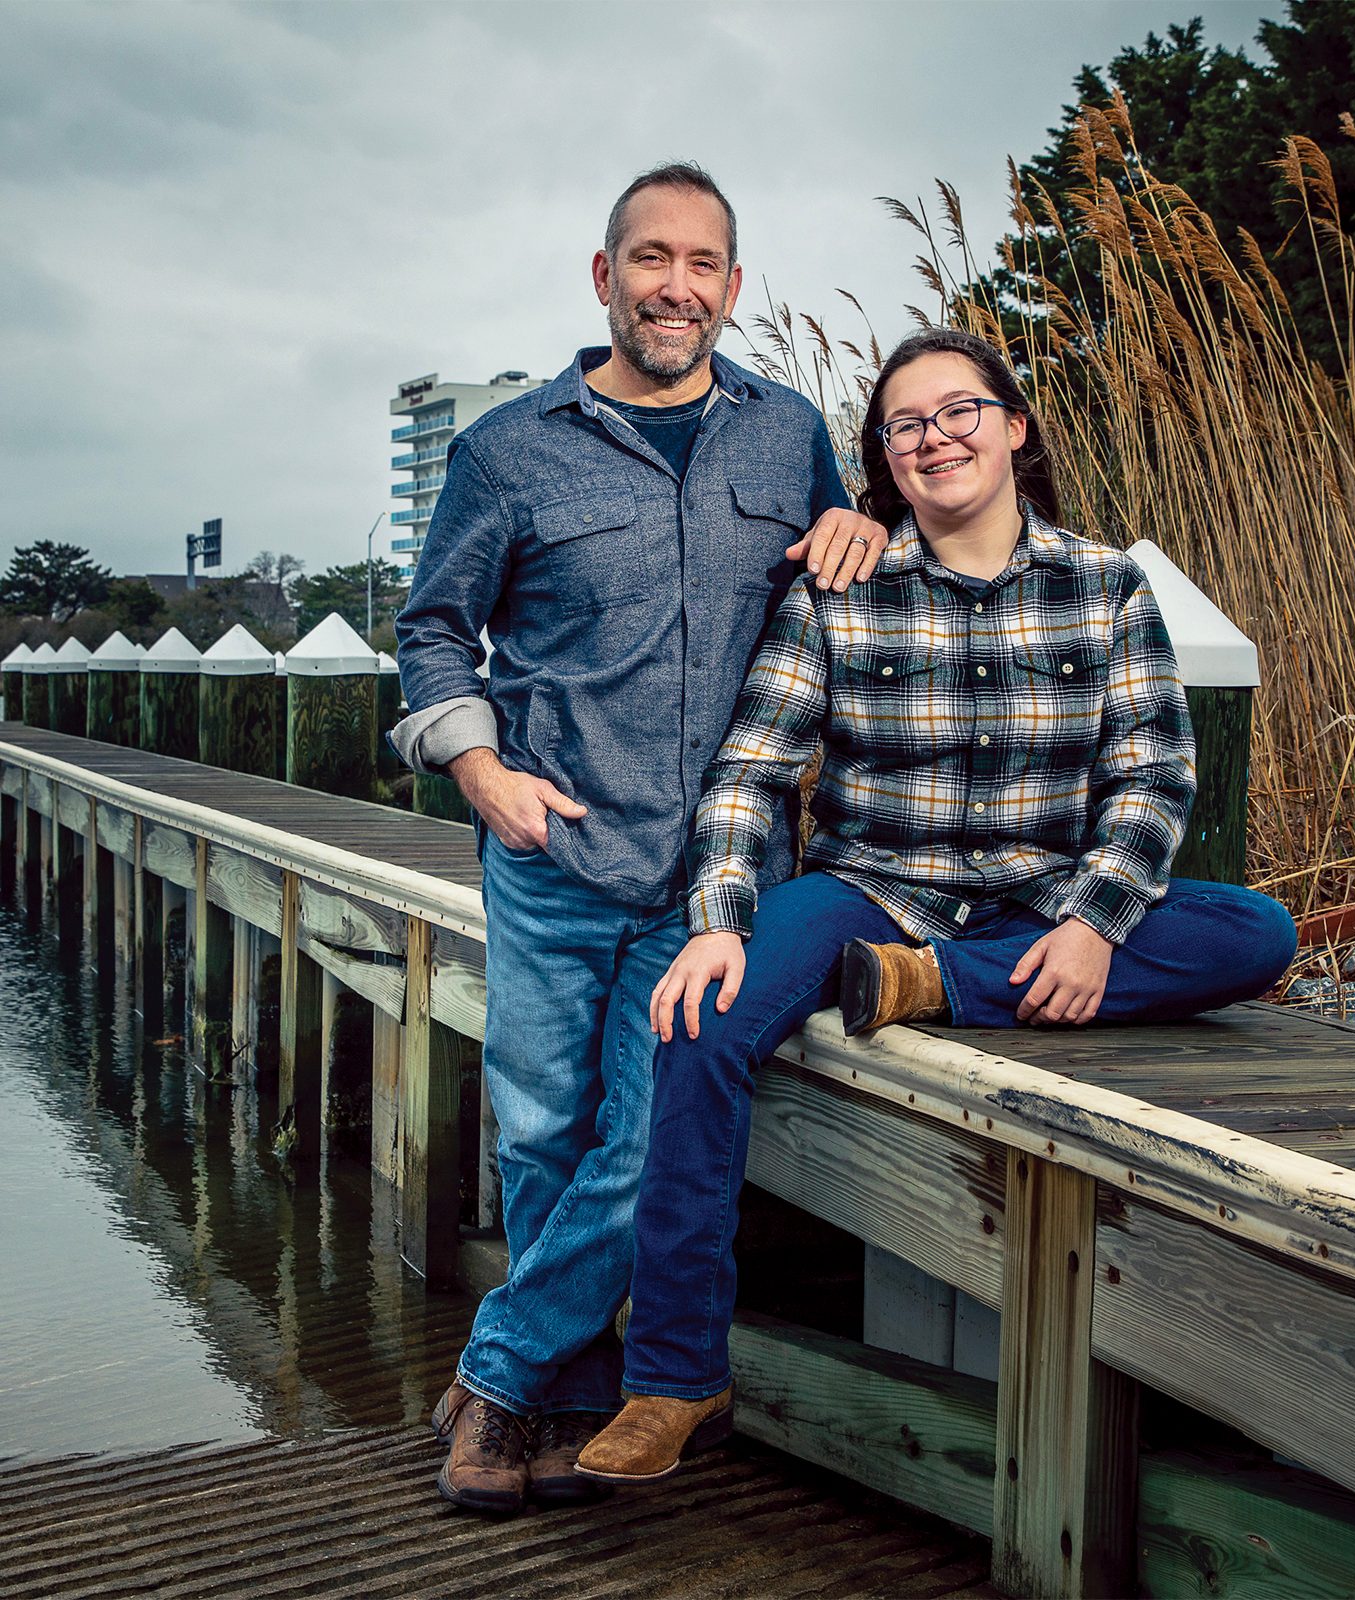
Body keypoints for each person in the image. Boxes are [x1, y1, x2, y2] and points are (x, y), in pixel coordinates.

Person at [574, 327, 1299, 1483]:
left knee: (1260, 932)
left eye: (958, 412)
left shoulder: (1104, 586)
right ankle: (673, 1376)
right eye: (904, 426)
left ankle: (940, 990)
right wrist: (716, 918)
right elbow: (753, 770)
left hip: (1040, 901)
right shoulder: (839, 590)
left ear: (1014, 428)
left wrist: (1094, 920)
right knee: (698, 1023)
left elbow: (1154, 778)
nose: (933, 439)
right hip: (868, 895)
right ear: (885, 458)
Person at [392, 161, 888, 1514]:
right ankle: (562, 1399)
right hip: (551, 854)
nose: (678, 285)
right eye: (650, 258)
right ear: (604, 277)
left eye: (704, 263)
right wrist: (479, 767)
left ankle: (493, 1377)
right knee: (547, 1137)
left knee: (651, 1136)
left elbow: (846, 570)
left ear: (733, 285)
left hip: (717, 878)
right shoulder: (508, 447)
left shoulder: (788, 434)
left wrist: (860, 519)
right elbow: (433, 628)